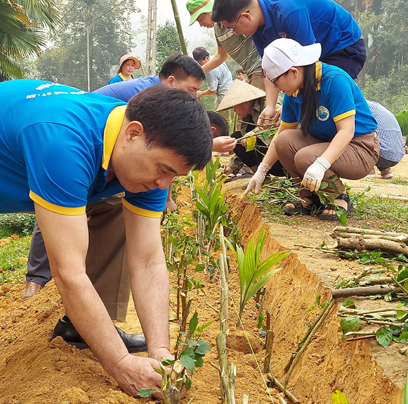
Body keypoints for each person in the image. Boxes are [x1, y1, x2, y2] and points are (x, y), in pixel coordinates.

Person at [0, 80, 212, 398]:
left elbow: (148, 259)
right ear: (132, 133)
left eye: (174, 176)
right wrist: (120, 363)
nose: (163, 184)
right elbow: (68, 271)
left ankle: (82, 326)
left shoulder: (146, 162)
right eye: (163, 169)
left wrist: (160, 350)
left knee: (113, 205)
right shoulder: (64, 141)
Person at [21, 54, 210, 300]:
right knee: (58, 209)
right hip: (75, 150)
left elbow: (163, 157)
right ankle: (38, 278)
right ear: (172, 81)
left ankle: (94, 307)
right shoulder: (148, 98)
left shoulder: (162, 101)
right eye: (192, 89)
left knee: (113, 210)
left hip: (105, 157)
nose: (194, 96)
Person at [245, 39, 378, 221]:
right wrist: (262, 170)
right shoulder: (294, 92)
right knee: (284, 141)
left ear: (293, 72)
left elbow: (346, 131)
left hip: (360, 147)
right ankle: (310, 197)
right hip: (325, 143)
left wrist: (321, 164)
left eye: (275, 81)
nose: (275, 87)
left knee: (306, 156)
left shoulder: (334, 81)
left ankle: (338, 196)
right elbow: (281, 135)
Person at [211, 0, 366, 127]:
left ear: (246, 16)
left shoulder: (289, 10)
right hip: (315, 53)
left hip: (342, 45)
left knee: (326, 98)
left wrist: (288, 105)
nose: (235, 33)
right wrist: (270, 106)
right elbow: (270, 70)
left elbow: (308, 65)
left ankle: (360, 139)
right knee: (309, 105)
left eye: (232, 29)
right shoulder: (257, 30)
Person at [186, 0, 264, 91]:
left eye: (200, 19)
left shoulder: (232, 18)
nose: (201, 24)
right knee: (241, 103)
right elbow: (221, 55)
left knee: (262, 103)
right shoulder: (217, 29)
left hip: (259, 67)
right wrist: (198, 72)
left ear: (207, 10)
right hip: (249, 72)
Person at [216, 79, 286, 178]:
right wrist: (231, 167)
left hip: (279, 159)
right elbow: (244, 147)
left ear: (245, 102)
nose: (235, 111)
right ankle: (258, 174)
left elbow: (280, 122)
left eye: (235, 106)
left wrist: (254, 133)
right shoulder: (245, 121)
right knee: (236, 138)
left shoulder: (268, 106)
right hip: (262, 161)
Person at [367, 101, 405, 179]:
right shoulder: (376, 106)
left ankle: (368, 168)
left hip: (382, 156)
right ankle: (385, 170)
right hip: (396, 156)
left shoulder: (360, 107)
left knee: (353, 131)